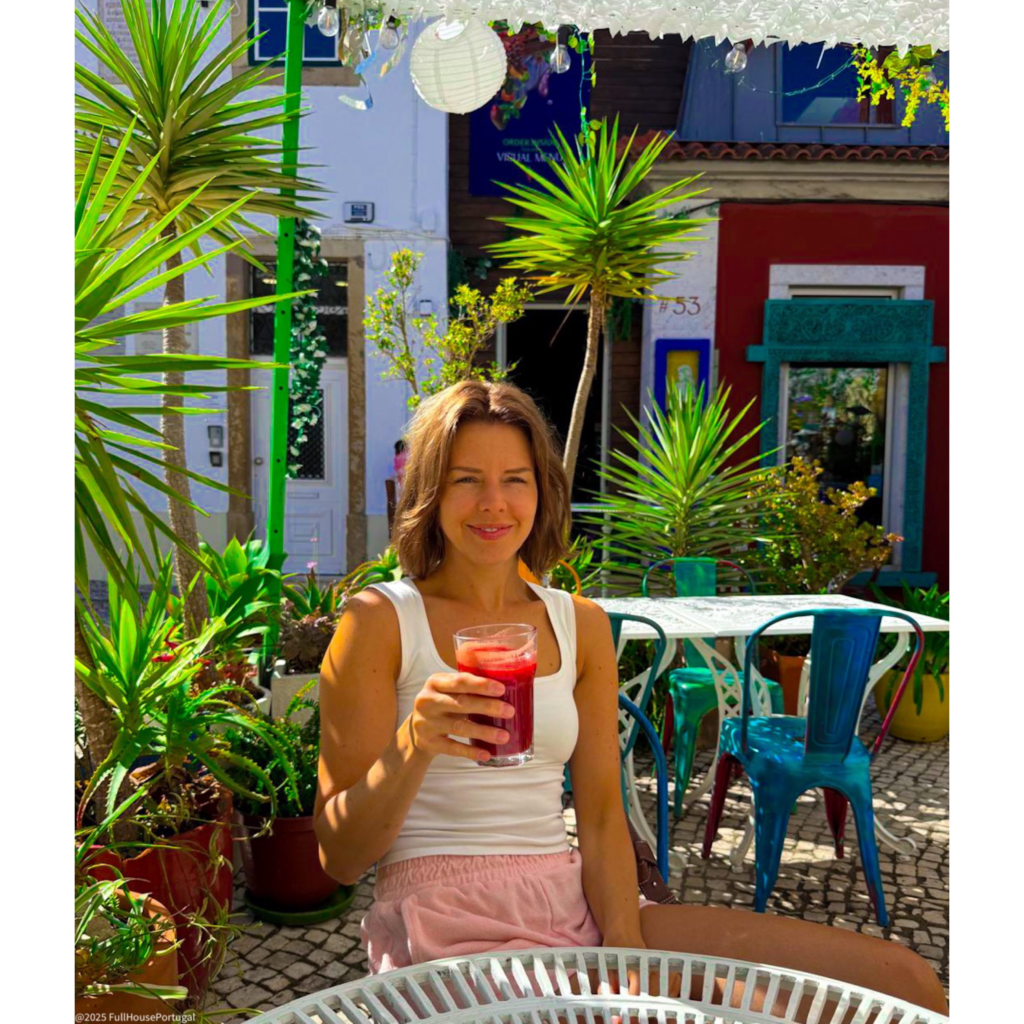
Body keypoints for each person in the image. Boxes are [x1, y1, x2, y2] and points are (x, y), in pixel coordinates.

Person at [314, 381, 947, 1014]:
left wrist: (625, 951)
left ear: (542, 492)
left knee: (902, 980)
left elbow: (599, 815)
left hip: (571, 898)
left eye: (515, 479)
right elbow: (339, 858)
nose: (493, 503)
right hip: (444, 922)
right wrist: (414, 743)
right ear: (430, 490)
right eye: (466, 479)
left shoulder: (579, 624)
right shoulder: (381, 621)